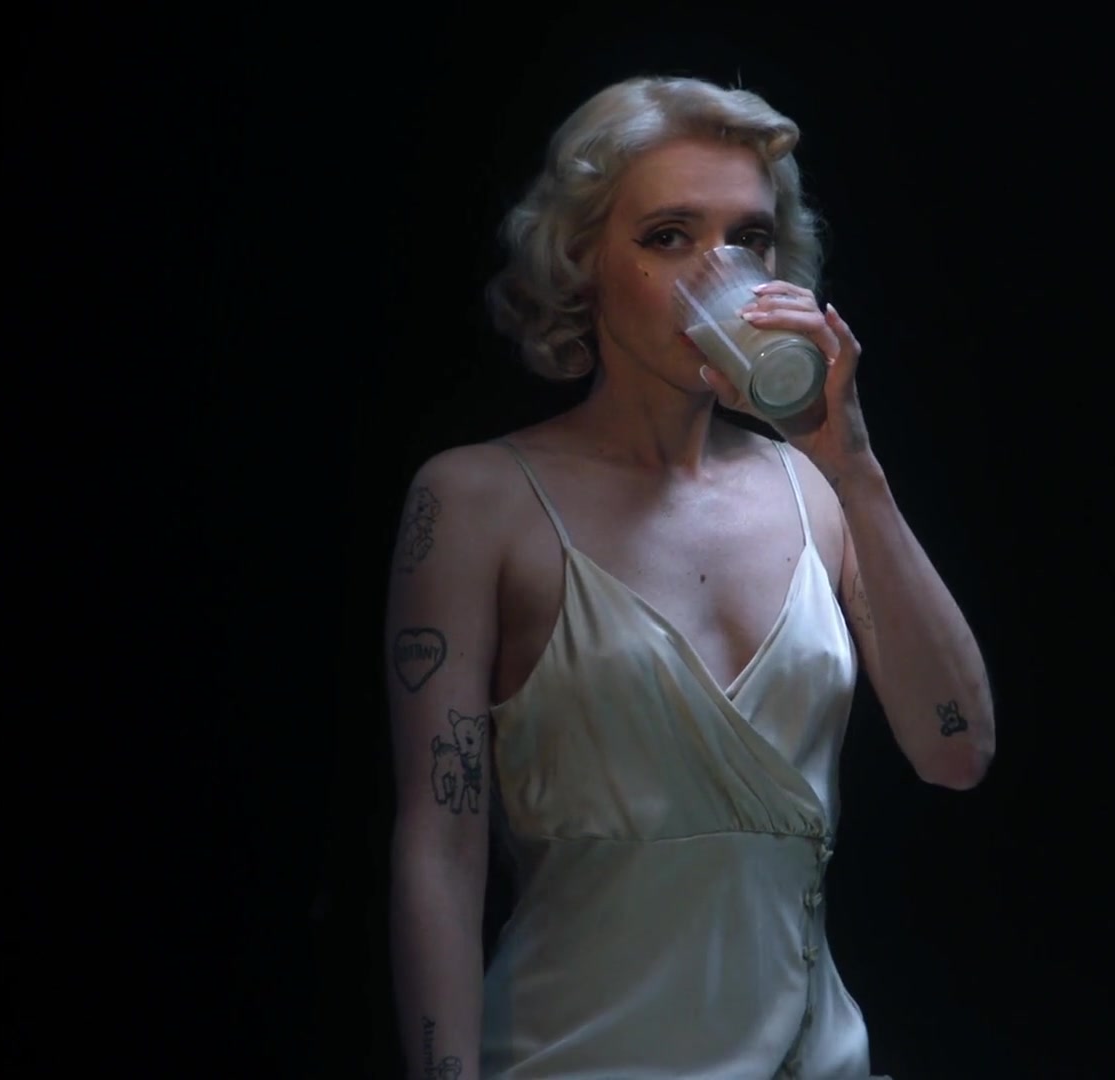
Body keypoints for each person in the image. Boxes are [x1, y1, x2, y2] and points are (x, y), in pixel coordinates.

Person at [384, 74, 996, 1080]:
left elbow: (958, 750)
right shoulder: (474, 501)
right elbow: (439, 852)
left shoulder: (816, 490)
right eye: (669, 236)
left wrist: (855, 470)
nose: (721, 273)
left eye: (748, 239)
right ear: (581, 261)